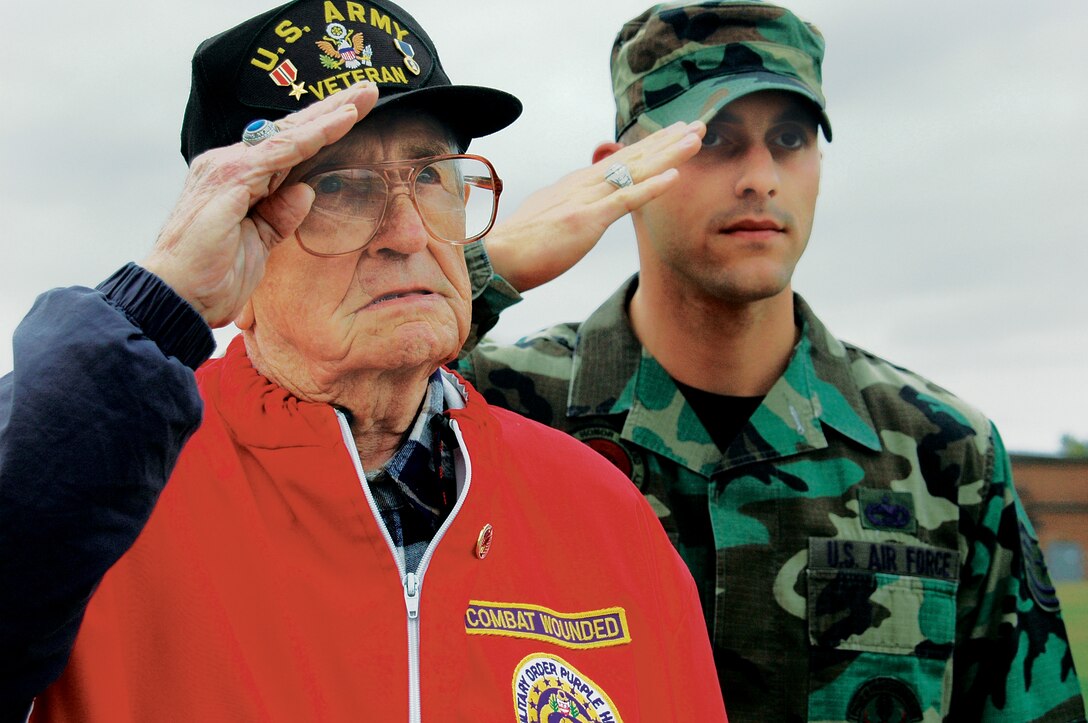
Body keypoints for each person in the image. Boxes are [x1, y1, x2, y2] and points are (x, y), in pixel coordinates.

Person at [0, 0, 726, 720]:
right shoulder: (102, 504)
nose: (407, 233)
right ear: (231, 236)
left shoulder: (601, 511)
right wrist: (161, 301)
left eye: (434, 176)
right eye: (339, 188)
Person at [453, 2, 1087, 721]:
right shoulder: (486, 408)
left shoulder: (947, 452)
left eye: (790, 138)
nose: (761, 176)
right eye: (713, 138)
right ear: (619, 173)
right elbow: (307, 440)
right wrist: (479, 274)